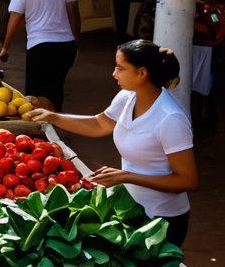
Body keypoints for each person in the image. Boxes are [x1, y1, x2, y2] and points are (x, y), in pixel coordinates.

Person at [27, 40, 198, 246]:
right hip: (129, 208)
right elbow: (100, 124)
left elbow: (187, 180)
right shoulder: (127, 97)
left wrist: (126, 176)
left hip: (162, 220)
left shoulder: (170, 119)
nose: (114, 74)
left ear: (142, 73)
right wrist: (53, 117)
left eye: (120, 68)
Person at [0, 0, 81, 110]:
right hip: (66, 46)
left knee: (35, 97)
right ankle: (56, 123)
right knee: (55, 90)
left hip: (41, 48)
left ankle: (44, 131)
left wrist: (5, 48)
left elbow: (15, 19)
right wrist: (75, 39)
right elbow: (73, 9)